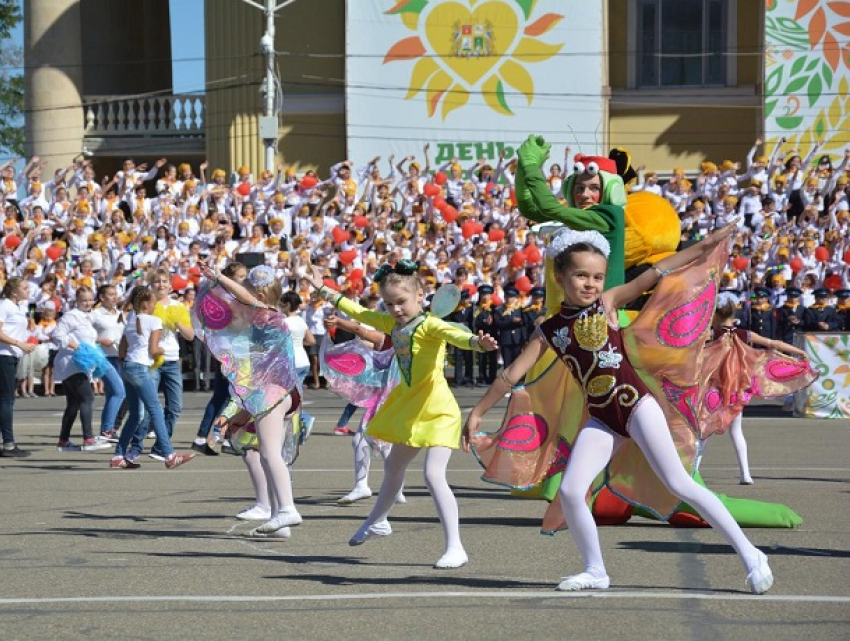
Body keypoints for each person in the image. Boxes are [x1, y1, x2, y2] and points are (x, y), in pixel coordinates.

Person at [463, 226, 774, 594]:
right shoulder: (548, 329)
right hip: (603, 418)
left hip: (637, 406)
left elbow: (651, 276)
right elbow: (511, 374)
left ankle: (752, 555)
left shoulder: (606, 304)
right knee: (572, 490)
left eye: (597, 276)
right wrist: (478, 413)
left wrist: (702, 247)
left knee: (679, 483)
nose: (591, 284)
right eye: (581, 276)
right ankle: (595, 570)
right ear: (560, 277)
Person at [306, 259, 498, 569]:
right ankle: (378, 520)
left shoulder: (429, 324)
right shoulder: (392, 324)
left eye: (401, 302)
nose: (395, 309)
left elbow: (457, 336)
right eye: (389, 303)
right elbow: (357, 311)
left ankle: (455, 547)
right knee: (394, 466)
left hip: (437, 410)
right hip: (410, 408)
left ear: (421, 296)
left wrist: (478, 343)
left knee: (433, 475)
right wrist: (322, 289)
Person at [194, 263, 302, 537]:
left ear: (261, 296)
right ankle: (281, 519)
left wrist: (219, 278)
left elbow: (245, 297)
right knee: (268, 455)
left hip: (273, 392)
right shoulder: (271, 317)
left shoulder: (266, 316)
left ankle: (287, 509)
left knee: (268, 454)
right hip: (284, 391)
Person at [701, 292, 814, 485]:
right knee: (737, 431)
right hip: (738, 388)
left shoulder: (711, 334)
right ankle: (745, 474)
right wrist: (799, 351)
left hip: (715, 388)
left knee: (704, 429)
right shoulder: (744, 334)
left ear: (716, 316)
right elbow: (773, 344)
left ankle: (693, 470)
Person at [111, 287, 195, 469]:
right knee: (155, 409)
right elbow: (154, 349)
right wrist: (163, 350)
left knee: (135, 415)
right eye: (153, 302)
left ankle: (118, 455)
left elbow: (122, 351)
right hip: (140, 368)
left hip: (127, 368)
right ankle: (169, 453)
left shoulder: (131, 321)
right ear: (148, 304)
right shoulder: (154, 320)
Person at [133, 268, 194, 461]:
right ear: (151, 285)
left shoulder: (178, 306)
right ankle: (135, 445)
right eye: (157, 281)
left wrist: (177, 323)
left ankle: (161, 446)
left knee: (175, 407)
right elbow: (137, 330)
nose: (161, 284)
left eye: (164, 281)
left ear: (170, 284)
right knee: (152, 408)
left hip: (172, 360)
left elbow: (190, 336)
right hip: (152, 360)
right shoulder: (147, 306)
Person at [193, 262, 248, 455]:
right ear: (231, 278)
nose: (244, 279)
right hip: (231, 351)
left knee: (222, 396)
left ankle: (203, 436)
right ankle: (225, 437)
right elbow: (237, 323)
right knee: (236, 396)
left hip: (224, 350)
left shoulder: (219, 295)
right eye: (241, 276)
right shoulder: (229, 298)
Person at [50, 286, 113, 452]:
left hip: (80, 364)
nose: (88, 303)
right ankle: (89, 439)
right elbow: (57, 335)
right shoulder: (71, 316)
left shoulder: (86, 317)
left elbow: (85, 338)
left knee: (73, 404)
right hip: (71, 363)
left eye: (90, 299)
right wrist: (76, 346)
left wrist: (99, 341)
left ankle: (63, 440)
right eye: (84, 300)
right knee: (88, 399)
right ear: (76, 301)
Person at [0, 278, 35, 457]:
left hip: (12, 355)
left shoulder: (18, 307)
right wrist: (19, 343)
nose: (28, 290)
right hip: (4, 355)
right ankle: (8, 444)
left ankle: (8, 442)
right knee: (6, 400)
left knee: (7, 399)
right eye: (24, 287)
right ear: (14, 291)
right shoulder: (4, 305)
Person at [90, 284, 127, 441]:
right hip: (102, 356)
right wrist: (99, 340)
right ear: (102, 297)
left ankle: (107, 428)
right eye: (110, 294)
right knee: (119, 392)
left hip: (117, 356)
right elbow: (83, 333)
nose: (114, 297)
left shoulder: (119, 314)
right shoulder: (95, 314)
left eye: (115, 294)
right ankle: (107, 429)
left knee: (113, 393)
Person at [281, 290, 316, 440]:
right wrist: (297, 343)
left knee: (287, 398)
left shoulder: (284, 322)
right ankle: (297, 427)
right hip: (302, 360)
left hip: (291, 362)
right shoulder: (301, 320)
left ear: (288, 304)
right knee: (296, 397)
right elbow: (311, 340)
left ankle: (303, 420)